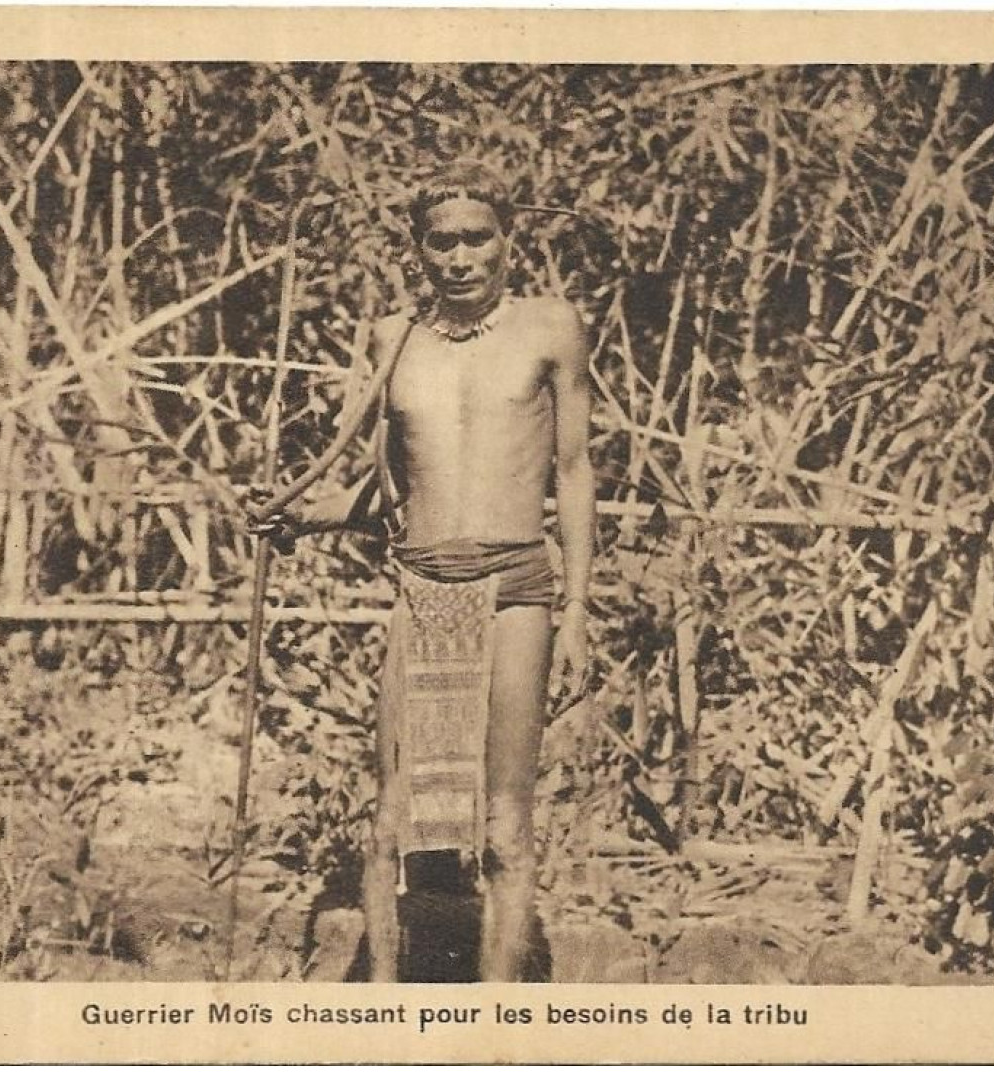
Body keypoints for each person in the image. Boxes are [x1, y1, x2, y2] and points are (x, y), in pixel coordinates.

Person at [248, 159, 593, 982]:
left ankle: (498, 1028)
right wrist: (294, 513)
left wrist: (577, 608)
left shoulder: (550, 328)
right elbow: (376, 491)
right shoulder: (389, 339)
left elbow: (574, 471)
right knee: (389, 823)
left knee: (505, 824)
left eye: (479, 238)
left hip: (516, 591)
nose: (462, 257)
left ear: (509, 241)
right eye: (443, 242)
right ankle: (384, 1015)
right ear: (417, 250)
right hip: (423, 586)